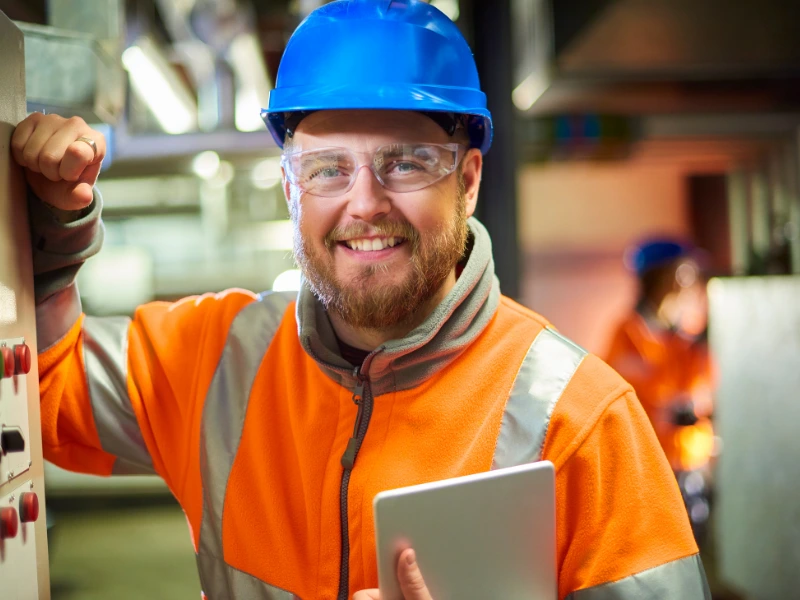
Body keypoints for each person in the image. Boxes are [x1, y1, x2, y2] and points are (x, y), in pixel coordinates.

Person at [15, 1, 709, 598]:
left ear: (468, 182)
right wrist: (45, 231)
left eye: (406, 163)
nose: (365, 203)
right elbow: (38, 386)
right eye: (327, 169)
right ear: (291, 188)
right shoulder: (213, 359)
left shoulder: (584, 420)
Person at [606, 239, 716, 544]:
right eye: (682, 273)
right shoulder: (628, 336)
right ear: (659, 278)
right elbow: (636, 396)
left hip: (691, 467)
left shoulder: (685, 338)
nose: (689, 283)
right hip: (651, 472)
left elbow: (702, 389)